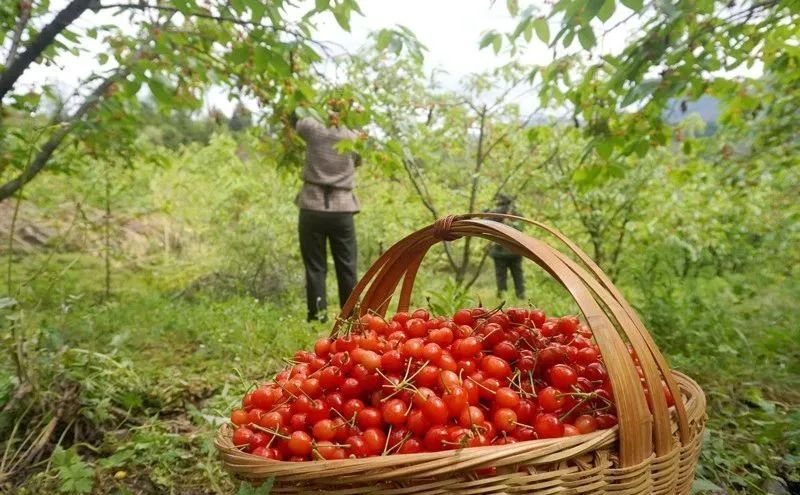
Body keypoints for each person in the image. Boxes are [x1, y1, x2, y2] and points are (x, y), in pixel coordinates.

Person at [294, 102, 361, 322]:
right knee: (347, 266)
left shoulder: (313, 128)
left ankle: (317, 316)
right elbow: (358, 160)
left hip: (312, 206)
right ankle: (350, 317)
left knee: (315, 267)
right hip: (343, 209)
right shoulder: (353, 135)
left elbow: (299, 121)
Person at [487, 194, 525, 300]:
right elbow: (521, 228)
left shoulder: (494, 212)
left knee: (501, 275)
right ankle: (520, 294)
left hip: (501, 251)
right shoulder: (517, 214)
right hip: (515, 251)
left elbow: (485, 222)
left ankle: (502, 295)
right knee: (517, 274)